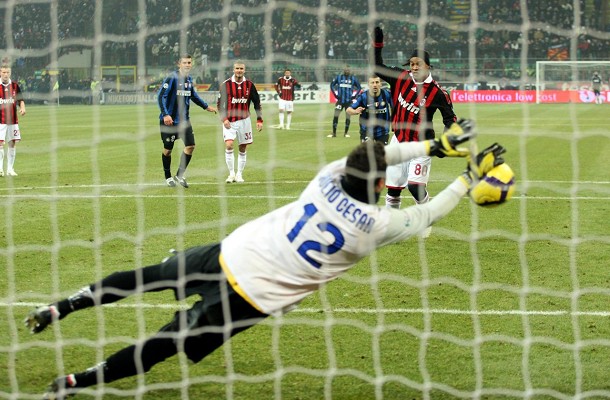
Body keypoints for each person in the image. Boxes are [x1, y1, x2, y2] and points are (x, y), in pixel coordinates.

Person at [25, 119, 507, 400]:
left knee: (143, 278)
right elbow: (426, 214)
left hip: (230, 253)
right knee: (162, 345)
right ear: (381, 185)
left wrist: (434, 146)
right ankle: (74, 382)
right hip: (251, 298)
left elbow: (375, 155)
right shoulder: (374, 226)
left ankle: (61, 307)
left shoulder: (325, 179)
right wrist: (466, 177)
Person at [373, 26, 458, 238]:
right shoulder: (400, 78)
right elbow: (376, 67)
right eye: (411, 63)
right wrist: (377, 45)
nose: (414, 67)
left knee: (414, 186)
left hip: (421, 145)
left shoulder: (437, 92)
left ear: (428, 66)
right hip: (398, 141)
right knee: (393, 189)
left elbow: (450, 119)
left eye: (418, 63)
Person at [158, 54, 218, 188]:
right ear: (179, 64)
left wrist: (206, 107)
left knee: (190, 146)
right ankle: (168, 177)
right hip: (169, 121)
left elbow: (193, 96)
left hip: (184, 120)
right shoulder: (172, 78)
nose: (187, 65)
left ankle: (179, 175)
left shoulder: (189, 79)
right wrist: (166, 115)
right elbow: (161, 96)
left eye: (189, 63)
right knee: (168, 150)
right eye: (184, 62)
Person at [218, 60, 263, 183]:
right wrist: (224, 119)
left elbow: (257, 103)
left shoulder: (250, 85)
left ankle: (239, 174)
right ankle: (231, 174)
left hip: (244, 121)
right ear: (233, 70)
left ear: (244, 70)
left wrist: (259, 119)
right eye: (237, 68)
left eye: (241, 69)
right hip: (229, 121)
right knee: (229, 145)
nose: (239, 71)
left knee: (242, 147)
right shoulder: (226, 85)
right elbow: (220, 104)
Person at [346, 74, 393, 144]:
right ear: (368, 84)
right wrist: (355, 111)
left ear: (380, 84)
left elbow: (394, 108)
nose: (375, 85)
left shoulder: (386, 94)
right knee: (366, 150)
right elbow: (348, 110)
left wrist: (393, 120)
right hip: (366, 131)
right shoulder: (363, 96)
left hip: (383, 131)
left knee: (381, 151)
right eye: (372, 83)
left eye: (377, 82)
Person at [0, 64, 26, 177]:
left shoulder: (15, 85)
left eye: (7, 72)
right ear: (0, 73)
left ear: (10, 73)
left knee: (12, 144)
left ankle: (10, 169)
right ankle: (0, 169)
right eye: (4, 72)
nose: (6, 74)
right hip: (0, 121)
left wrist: (23, 108)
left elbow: (21, 99)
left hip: (13, 121)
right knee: (0, 144)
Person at [328, 65, 361, 138]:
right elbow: (332, 85)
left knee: (348, 117)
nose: (347, 71)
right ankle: (334, 133)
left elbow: (359, 87)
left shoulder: (353, 78)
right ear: (343, 70)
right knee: (336, 116)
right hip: (340, 101)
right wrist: (335, 94)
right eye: (345, 69)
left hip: (348, 102)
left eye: (348, 70)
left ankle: (346, 133)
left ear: (350, 70)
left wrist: (355, 96)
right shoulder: (339, 77)